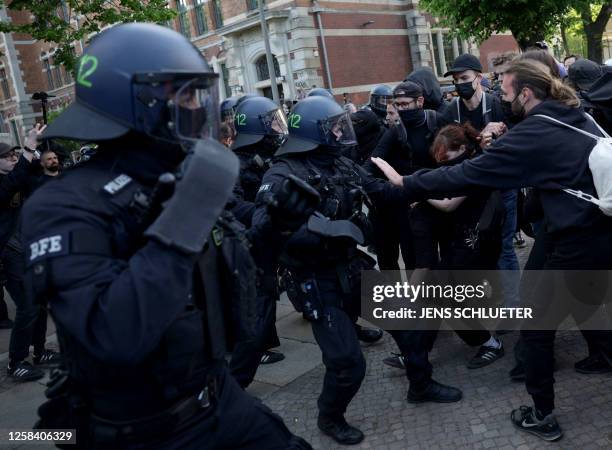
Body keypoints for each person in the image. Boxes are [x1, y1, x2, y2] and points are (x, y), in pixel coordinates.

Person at [23, 23, 311, 449]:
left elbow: (235, 263)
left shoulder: (179, 174)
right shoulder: (64, 206)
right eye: (186, 95)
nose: (198, 109)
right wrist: (187, 215)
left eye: (200, 95)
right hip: (143, 433)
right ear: (138, 101)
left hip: (217, 398)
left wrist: (278, 224)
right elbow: (114, 335)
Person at [372, 59, 612, 442]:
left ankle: (542, 415)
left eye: (505, 87)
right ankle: (602, 354)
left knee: (535, 329)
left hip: (576, 240)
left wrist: (406, 182)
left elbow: (468, 173)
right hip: (595, 230)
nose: (500, 93)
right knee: (586, 302)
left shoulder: (535, 129)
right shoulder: (572, 113)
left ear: (527, 93)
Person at [252, 95, 382, 445]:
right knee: (346, 363)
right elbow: (260, 227)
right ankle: (330, 417)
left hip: (352, 265)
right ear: (316, 132)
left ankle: (421, 382)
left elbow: (375, 189)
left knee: (409, 323)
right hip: (315, 278)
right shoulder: (282, 173)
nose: (343, 131)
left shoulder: (338, 162)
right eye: (336, 127)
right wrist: (279, 221)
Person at [228, 95, 289, 387]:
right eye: (273, 122)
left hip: (268, 240)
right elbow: (232, 206)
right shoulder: (234, 165)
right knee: (257, 310)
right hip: (250, 246)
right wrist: (267, 212)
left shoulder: (263, 157)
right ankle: (235, 383)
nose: (279, 127)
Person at [3, 126, 61, 382]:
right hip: (8, 252)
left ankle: (39, 352)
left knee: (37, 303)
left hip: (25, 247)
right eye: (8, 157)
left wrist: (42, 152)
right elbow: (12, 183)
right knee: (27, 307)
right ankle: (15, 362)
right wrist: (27, 149)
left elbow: (40, 180)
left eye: (15, 155)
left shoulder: (21, 175)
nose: (14, 159)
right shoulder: (7, 181)